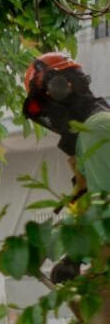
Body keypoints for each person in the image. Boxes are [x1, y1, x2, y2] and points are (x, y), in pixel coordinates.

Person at [22, 51, 110, 282]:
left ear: (61, 89)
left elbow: (104, 213)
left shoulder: (95, 130)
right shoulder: (93, 131)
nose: (48, 117)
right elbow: (87, 204)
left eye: (44, 105)